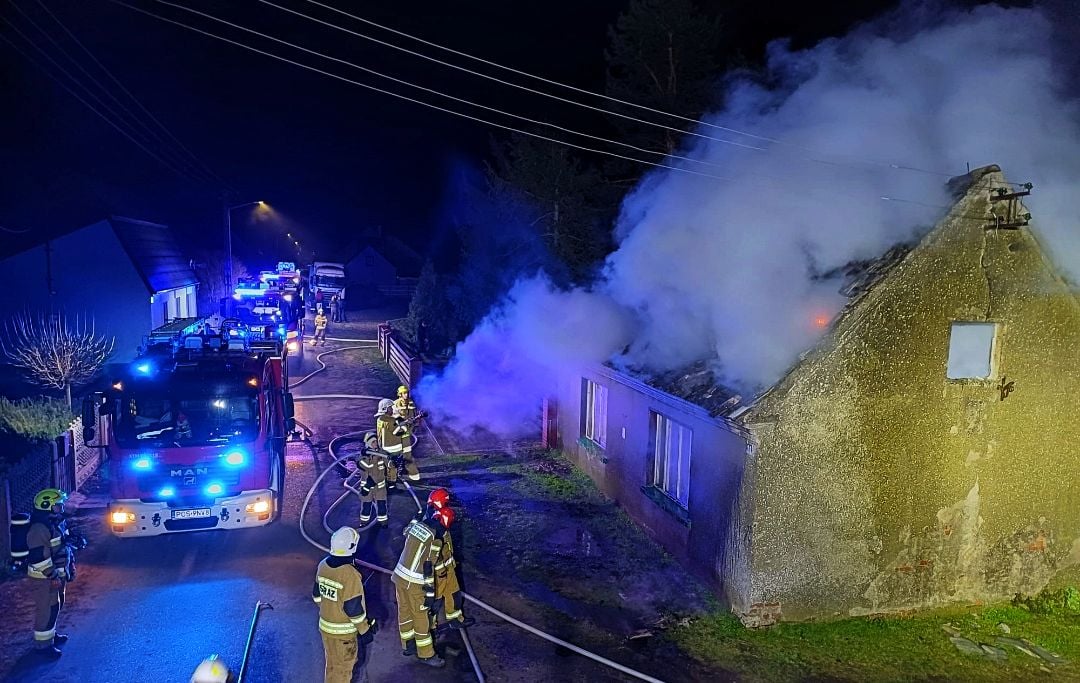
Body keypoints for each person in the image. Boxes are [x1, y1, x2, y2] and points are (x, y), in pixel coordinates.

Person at [313, 526, 377, 683]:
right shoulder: (350, 574)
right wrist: (365, 630)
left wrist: (330, 610)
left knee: (332, 666)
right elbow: (353, 609)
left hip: (325, 628)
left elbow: (316, 596)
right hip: (344, 634)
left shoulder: (323, 566)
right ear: (352, 547)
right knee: (343, 671)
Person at [392, 507, 452, 668]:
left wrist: (416, 516)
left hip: (399, 577)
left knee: (404, 611)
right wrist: (431, 592)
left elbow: (406, 531)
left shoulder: (419, 526)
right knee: (421, 617)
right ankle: (426, 654)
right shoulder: (436, 540)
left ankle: (408, 645)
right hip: (415, 583)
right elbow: (428, 566)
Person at [25, 488, 71, 658]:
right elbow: (39, 557)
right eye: (58, 505)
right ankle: (43, 646)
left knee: (54, 607)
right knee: (46, 610)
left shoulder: (52, 522)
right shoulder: (39, 528)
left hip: (53, 576)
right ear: (47, 506)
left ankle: (50, 636)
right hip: (43, 578)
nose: (62, 507)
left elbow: (58, 547)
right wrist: (52, 575)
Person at [426, 489, 476, 632]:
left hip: (448, 566)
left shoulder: (433, 514)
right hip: (438, 570)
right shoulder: (434, 523)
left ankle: (456, 619)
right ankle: (429, 626)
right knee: (435, 599)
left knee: (454, 593)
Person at [354, 432, 389, 527]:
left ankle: (383, 522)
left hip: (380, 487)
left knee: (382, 505)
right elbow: (368, 467)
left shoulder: (382, 454)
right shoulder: (363, 457)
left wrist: (392, 480)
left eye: (376, 442)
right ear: (368, 444)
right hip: (367, 487)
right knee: (366, 506)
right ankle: (363, 522)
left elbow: (389, 466)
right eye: (373, 442)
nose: (375, 444)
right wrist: (373, 456)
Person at [393, 386, 421, 482]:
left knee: (407, 453)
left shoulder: (411, 403)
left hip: (409, 432)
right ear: (400, 394)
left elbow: (414, 415)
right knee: (398, 453)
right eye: (404, 393)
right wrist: (404, 421)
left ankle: (403, 469)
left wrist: (416, 424)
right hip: (399, 433)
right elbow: (393, 417)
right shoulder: (395, 404)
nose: (406, 395)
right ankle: (397, 471)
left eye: (407, 393)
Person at [375, 399, 404, 486]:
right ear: (386, 409)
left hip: (383, 447)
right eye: (390, 408)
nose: (392, 409)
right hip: (393, 448)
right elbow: (398, 432)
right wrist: (405, 425)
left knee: (386, 465)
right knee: (393, 467)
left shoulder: (380, 419)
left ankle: (386, 481)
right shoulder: (390, 421)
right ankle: (392, 484)